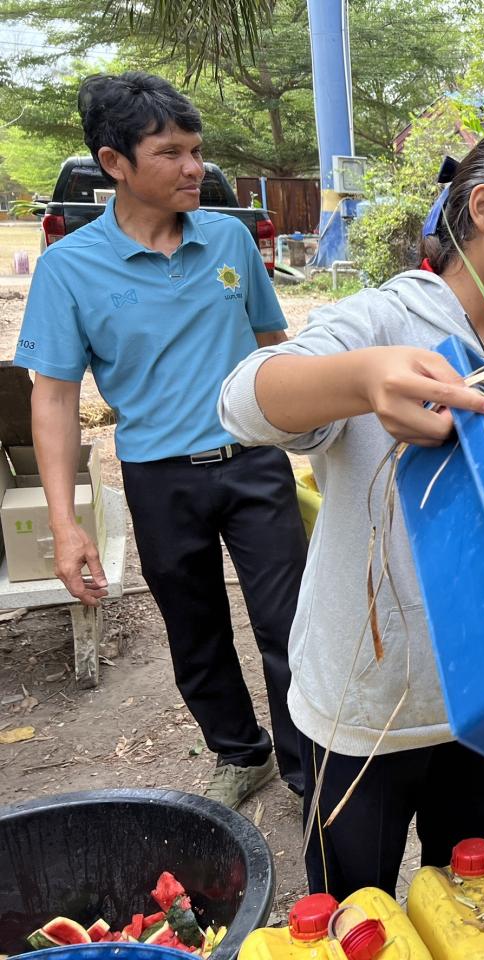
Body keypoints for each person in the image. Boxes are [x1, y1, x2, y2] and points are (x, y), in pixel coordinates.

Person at [218, 127, 484, 898]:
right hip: (365, 702)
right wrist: (363, 380)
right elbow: (243, 400)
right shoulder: (384, 321)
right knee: (358, 910)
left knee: (474, 906)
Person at [15, 72, 307, 810]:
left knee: (291, 626)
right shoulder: (68, 268)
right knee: (196, 631)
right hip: (158, 475)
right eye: (171, 153)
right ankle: (242, 754)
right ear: (115, 163)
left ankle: (312, 770)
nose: (194, 169)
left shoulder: (231, 239)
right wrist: (63, 520)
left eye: (197, 151)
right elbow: (52, 397)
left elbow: (278, 347)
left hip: (254, 464)